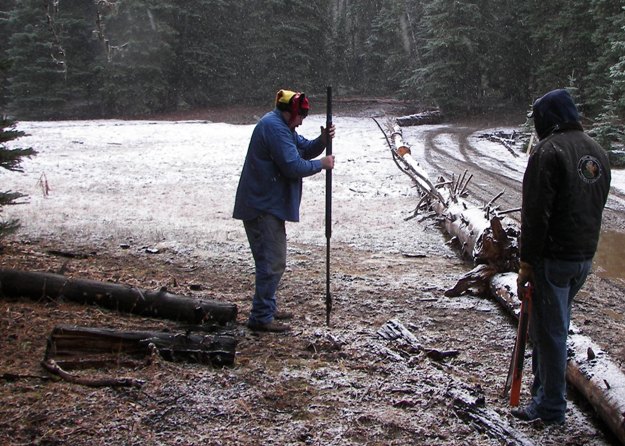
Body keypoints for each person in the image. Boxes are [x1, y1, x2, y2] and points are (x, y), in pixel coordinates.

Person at [513, 89, 611, 424]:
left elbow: (535, 214)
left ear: (547, 118)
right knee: (551, 327)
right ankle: (544, 394)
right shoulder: (597, 151)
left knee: (551, 333)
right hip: (582, 257)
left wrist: (527, 262)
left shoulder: (548, 151)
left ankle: (551, 406)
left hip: (553, 258)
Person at [233, 89, 335, 333]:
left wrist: (322, 141)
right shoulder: (274, 128)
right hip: (261, 205)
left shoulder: (283, 127)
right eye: (300, 117)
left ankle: (266, 307)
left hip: (267, 204)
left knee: (270, 262)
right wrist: (322, 165)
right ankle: (260, 317)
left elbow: (304, 149)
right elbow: (292, 165)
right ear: (289, 112)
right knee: (272, 262)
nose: (301, 122)